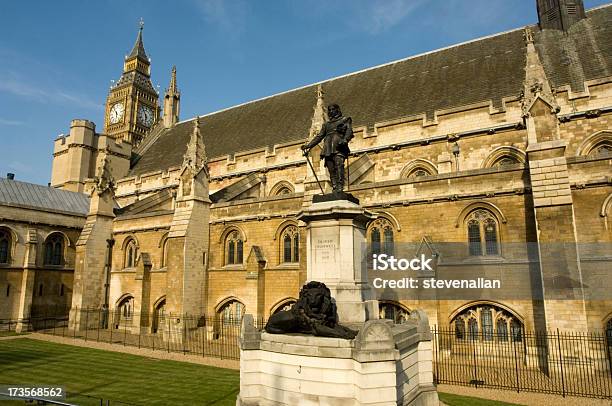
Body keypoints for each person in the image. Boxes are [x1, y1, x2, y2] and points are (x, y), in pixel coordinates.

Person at [301, 104, 353, 193]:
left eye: (333, 109)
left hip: (339, 146)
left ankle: (340, 187)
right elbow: (319, 137)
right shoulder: (326, 124)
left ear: (337, 110)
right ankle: (334, 186)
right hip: (328, 148)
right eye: (329, 110)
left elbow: (349, 131)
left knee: (339, 165)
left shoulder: (344, 120)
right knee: (331, 169)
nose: (331, 111)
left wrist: (345, 139)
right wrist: (309, 146)